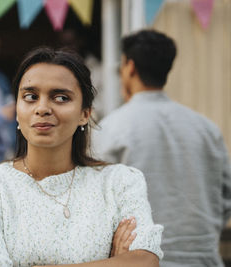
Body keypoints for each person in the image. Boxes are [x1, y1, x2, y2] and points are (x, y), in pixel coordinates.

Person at [0, 47, 163, 266]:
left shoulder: (119, 183)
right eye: (30, 97)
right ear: (17, 109)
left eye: (60, 98)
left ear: (85, 113)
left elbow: (146, 261)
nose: (42, 108)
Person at [91, 30, 231, 266]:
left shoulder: (111, 130)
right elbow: (226, 196)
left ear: (130, 66)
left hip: (142, 261)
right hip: (204, 259)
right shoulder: (207, 129)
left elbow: (95, 205)